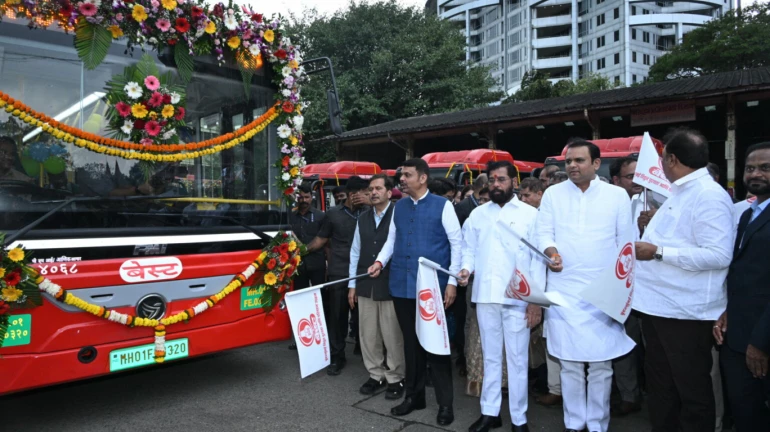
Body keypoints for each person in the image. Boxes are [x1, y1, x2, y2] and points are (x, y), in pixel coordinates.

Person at [633, 127, 734, 432]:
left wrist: (659, 251)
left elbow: (718, 255)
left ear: (672, 159)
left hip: (685, 315)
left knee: (692, 395)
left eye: (663, 159)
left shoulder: (708, 196)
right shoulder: (681, 192)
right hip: (659, 309)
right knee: (662, 390)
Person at [537, 139, 635, 432]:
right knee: (569, 363)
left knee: (601, 365)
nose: (572, 166)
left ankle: (597, 425)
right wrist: (551, 252)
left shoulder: (617, 196)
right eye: (568, 161)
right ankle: (574, 423)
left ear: (595, 164)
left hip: (602, 291)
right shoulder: (553, 194)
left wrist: (621, 290)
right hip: (563, 288)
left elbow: (625, 244)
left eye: (579, 160)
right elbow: (543, 232)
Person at [368, 158, 462, 426]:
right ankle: (414, 396)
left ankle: (445, 404)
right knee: (411, 345)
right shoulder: (399, 208)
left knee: (437, 347)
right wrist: (379, 262)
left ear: (422, 178)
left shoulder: (443, 206)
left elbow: (458, 244)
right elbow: (391, 242)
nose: (402, 179)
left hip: (432, 289)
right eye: (401, 175)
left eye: (407, 175)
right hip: (401, 285)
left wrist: (452, 282)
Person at [459, 161, 544, 432]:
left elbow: (538, 260)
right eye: (492, 180)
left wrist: (535, 301)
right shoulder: (478, 215)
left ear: (514, 183)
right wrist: (465, 269)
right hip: (485, 295)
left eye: (502, 180)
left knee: (517, 359)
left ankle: (519, 419)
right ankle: (490, 413)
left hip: (519, 298)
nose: (496, 184)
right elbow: (468, 249)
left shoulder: (530, 215)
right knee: (490, 357)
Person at [715, 142, 770, 432]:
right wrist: (726, 311)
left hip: (762, 341)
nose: (755, 173)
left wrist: (761, 343)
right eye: (750, 168)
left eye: (765, 167)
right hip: (737, 336)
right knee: (745, 412)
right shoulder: (748, 214)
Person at [305, 176, 370, 376]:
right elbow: (320, 240)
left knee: (367, 316)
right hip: (339, 271)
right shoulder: (332, 214)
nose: (369, 196)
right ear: (352, 194)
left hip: (366, 272)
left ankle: (369, 353)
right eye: (364, 193)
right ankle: (337, 355)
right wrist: (297, 251)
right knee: (337, 315)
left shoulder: (372, 211)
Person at [348, 174, 405, 400]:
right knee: (368, 334)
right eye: (370, 189)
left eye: (378, 188)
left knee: (392, 334)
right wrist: (352, 285)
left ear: (390, 192)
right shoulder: (362, 218)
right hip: (364, 283)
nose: (373, 192)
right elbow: (355, 251)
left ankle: (395, 377)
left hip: (390, 284)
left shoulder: (398, 214)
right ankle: (375, 374)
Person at [608, 156, 644, 416]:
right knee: (623, 344)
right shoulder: (608, 205)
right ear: (616, 180)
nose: (637, 181)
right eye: (631, 176)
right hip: (620, 287)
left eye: (639, 175)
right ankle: (629, 395)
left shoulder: (659, 203)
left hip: (654, 290)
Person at [452, 173, 489, 377]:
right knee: (470, 322)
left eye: (487, 200)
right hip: (474, 281)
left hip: (503, 287)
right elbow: (464, 247)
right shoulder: (470, 215)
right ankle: (469, 362)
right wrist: (465, 268)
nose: (483, 204)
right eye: (481, 200)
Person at [287, 185, 327, 350]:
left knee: (320, 301)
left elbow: (325, 239)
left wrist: (304, 249)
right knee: (300, 302)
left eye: (306, 197)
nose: (303, 201)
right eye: (300, 197)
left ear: (312, 198)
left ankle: (322, 337)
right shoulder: (291, 216)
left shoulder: (320, 216)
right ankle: (301, 339)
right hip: (298, 267)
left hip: (317, 264)